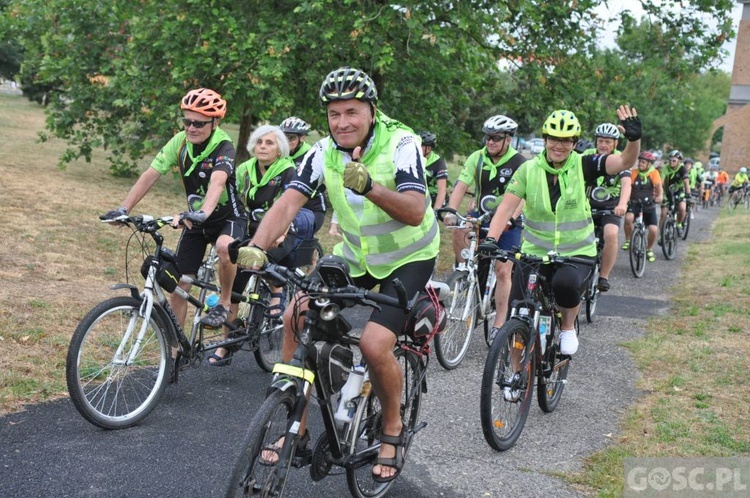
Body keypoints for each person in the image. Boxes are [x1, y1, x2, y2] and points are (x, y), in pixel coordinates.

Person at [235, 67, 439, 483]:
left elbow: (416, 209)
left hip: (409, 258)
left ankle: (392, 428)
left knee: (374, 342)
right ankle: (300, 427)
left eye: (352, 111)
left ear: (371, 111)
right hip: (356, 256)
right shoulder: (321, 151)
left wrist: (370, 189)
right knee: (296, 314)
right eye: (334, 114)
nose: (343, 122)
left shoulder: (401, 143)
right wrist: (257, 245)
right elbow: (288, 204)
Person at [480, 107, 641, 356]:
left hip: (576, 252)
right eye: (553, 138)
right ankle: (514, 374)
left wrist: (633, 140)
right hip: (534, 252)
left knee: (566, 284)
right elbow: (506, 208)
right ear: (545, 140)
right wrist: (491, 238)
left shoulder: (585, 165)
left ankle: (567, 327)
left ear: (574, 143)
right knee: (518, 310)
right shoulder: (528, 170)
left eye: (565, 140)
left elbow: (624, 162)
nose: (559, 145)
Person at [100, 88, 246, 333]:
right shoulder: (179, 143)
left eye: (199, 123)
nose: (191, 128)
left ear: (215, 122)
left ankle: (224, 301)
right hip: (195, 221)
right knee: (179, 288)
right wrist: (124, 208)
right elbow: (150, 175)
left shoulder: (224, 147)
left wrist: (204, 212)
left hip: (227, 218)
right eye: (187, 121)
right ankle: (175, 353)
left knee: (224, 247)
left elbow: (217, 182)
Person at [206, 125, 295, 365]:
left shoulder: (287, 171)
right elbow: (233, 202)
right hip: (250, 231)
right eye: (259, 142)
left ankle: (277, 288)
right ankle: (227, 344)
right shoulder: (244, 170)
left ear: (280, 150)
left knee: (262, 260)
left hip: (280, 231)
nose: (263, 147)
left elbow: (289, 205)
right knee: (234, 286)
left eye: (270, 143)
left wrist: (281, 232)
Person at [443, 115, 526, 340]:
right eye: (487, 137)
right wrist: (451, 210)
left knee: (502, 270)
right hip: (481, 216)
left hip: (508, 222)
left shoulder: (520, 162)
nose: (490, 142)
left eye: (496, 138)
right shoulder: (477, 158)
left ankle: (500, 322)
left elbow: (522, 197)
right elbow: (461, 185)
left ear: (508, 140)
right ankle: (465, 272)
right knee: (461, 230)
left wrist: (512, 218)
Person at [585, 122, 632, 291]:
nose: (603, 145)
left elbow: (626, 184)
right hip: (586, 207)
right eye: (600, 141)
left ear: (615, 144)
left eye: (608, 142)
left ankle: (603, 276)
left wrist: (622, 204)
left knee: (611, 234)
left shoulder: (620, 159)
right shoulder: (588, 155)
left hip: (611, 208)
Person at [279, 116, 328, 234]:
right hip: (290, 206)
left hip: (312, 206)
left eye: (291, 138)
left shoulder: (311, 155)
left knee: (299, 237)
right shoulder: (280, 155)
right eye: (283, 138)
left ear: (302, 138)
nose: (287, 142)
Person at [623, 151, 663, 262]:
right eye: (639, 161)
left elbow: (659, 187)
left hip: (648, 205)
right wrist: (625, 200)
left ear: (649, 164)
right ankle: (628, 240)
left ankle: (649, 248)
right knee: (628, 218)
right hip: (634, 203)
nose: (640, 164)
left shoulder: (654, 173)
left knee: (653, 229)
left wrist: (659, 196)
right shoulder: (634, 172)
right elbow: (628, 187)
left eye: (643, 162)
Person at [659, 150, 690, 241]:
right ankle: (662, 236)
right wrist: (659, 194)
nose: (671, 162)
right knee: (663, 213)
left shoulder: (682, 169)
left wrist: (688, 194)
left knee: (682, 208)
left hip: (679, 192)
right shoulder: (665, 168)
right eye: (670, 160)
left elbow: (686, 182)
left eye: (674, 160)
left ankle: (679, 224)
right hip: (667, 192)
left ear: (679, 161)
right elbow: (661, 182)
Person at [418, 131, 449, 209]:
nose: (416, 147)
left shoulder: (438, 162)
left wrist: (436, 210)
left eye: (420, 145)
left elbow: (442, 189)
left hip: (435, 197)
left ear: (428, 148)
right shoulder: (414, 158)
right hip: (421, 195)